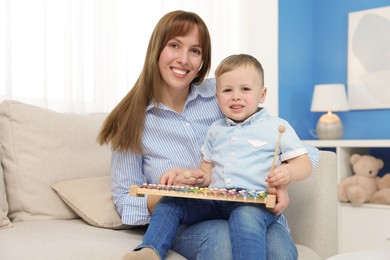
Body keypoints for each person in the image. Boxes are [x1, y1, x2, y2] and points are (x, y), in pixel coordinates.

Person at [97, 10, 319, 260]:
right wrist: (175, 190)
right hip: (191, 217)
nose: (184, 59)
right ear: (156, 49)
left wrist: (281, 181)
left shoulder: (225, 90)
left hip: (251, 207)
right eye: (174, 45)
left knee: (274, 243)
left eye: (195, 50)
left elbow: (295, 150)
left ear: (203, 59)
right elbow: (126, 204)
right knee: (221, 237)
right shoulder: (130, 121)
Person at [125, 54, 313, 260]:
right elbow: (206, 172)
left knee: (246, 216)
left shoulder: (275, 127)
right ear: (217, 97)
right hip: (217, 200)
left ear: (262, 94)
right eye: (227, 90)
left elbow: (304, 162)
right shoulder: (215, 129)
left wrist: (288, 171)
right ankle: (149, 250)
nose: (236, 96)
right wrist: (190, 176)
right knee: (171, 201)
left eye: (245, 89)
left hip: (254, 204)